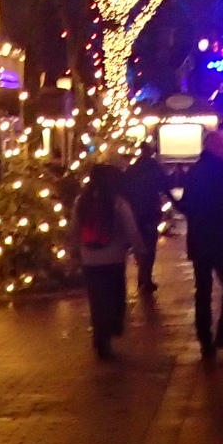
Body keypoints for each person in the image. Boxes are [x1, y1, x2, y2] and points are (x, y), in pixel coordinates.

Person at [179, 127, 223, 359]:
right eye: (222, 144)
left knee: (203, 290)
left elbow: (186, 205)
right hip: (220, 239)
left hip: (199, 239)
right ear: (214, 147)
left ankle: (205, 339)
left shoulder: (195, 171)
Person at [74, 164, 139, 359]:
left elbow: (74, 228)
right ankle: (109, 333)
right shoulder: (117, 202)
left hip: (89, 258)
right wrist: (138, 247)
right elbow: (130, 227)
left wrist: (74, 249)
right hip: (113, 258)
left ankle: (100, 335)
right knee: (114, 298)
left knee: (96, 300)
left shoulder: (81, 201)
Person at [122, 142, 169, 296]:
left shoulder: (133, 169)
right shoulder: (154, 168)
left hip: (136, 212)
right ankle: (145, 276)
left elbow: (126, 189)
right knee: (150, 245)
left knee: (139, 244)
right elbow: (164, 186)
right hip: (150, 211)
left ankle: (142, 274)